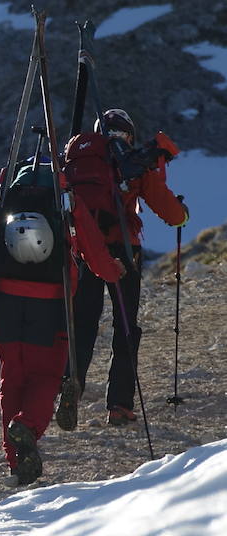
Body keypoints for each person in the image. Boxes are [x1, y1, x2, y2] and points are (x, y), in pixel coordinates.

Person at [0, 158, 124, 483]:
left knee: (13, 376)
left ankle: (15, 460)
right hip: (50, 302)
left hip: (5, 302)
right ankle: (28, 426)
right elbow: (93, 251)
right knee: (46, 375)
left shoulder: (0, 204)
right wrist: (114, 271)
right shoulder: (65, 203)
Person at [60, 109, 188, 427]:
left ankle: (70, 387)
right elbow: (173, 215)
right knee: (125, 325)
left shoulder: (76, 163)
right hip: (124, 251)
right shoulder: (133, 163)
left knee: (83, 323)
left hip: (84, 250)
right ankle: (119, 405)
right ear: (129, 134)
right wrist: (183, 213)